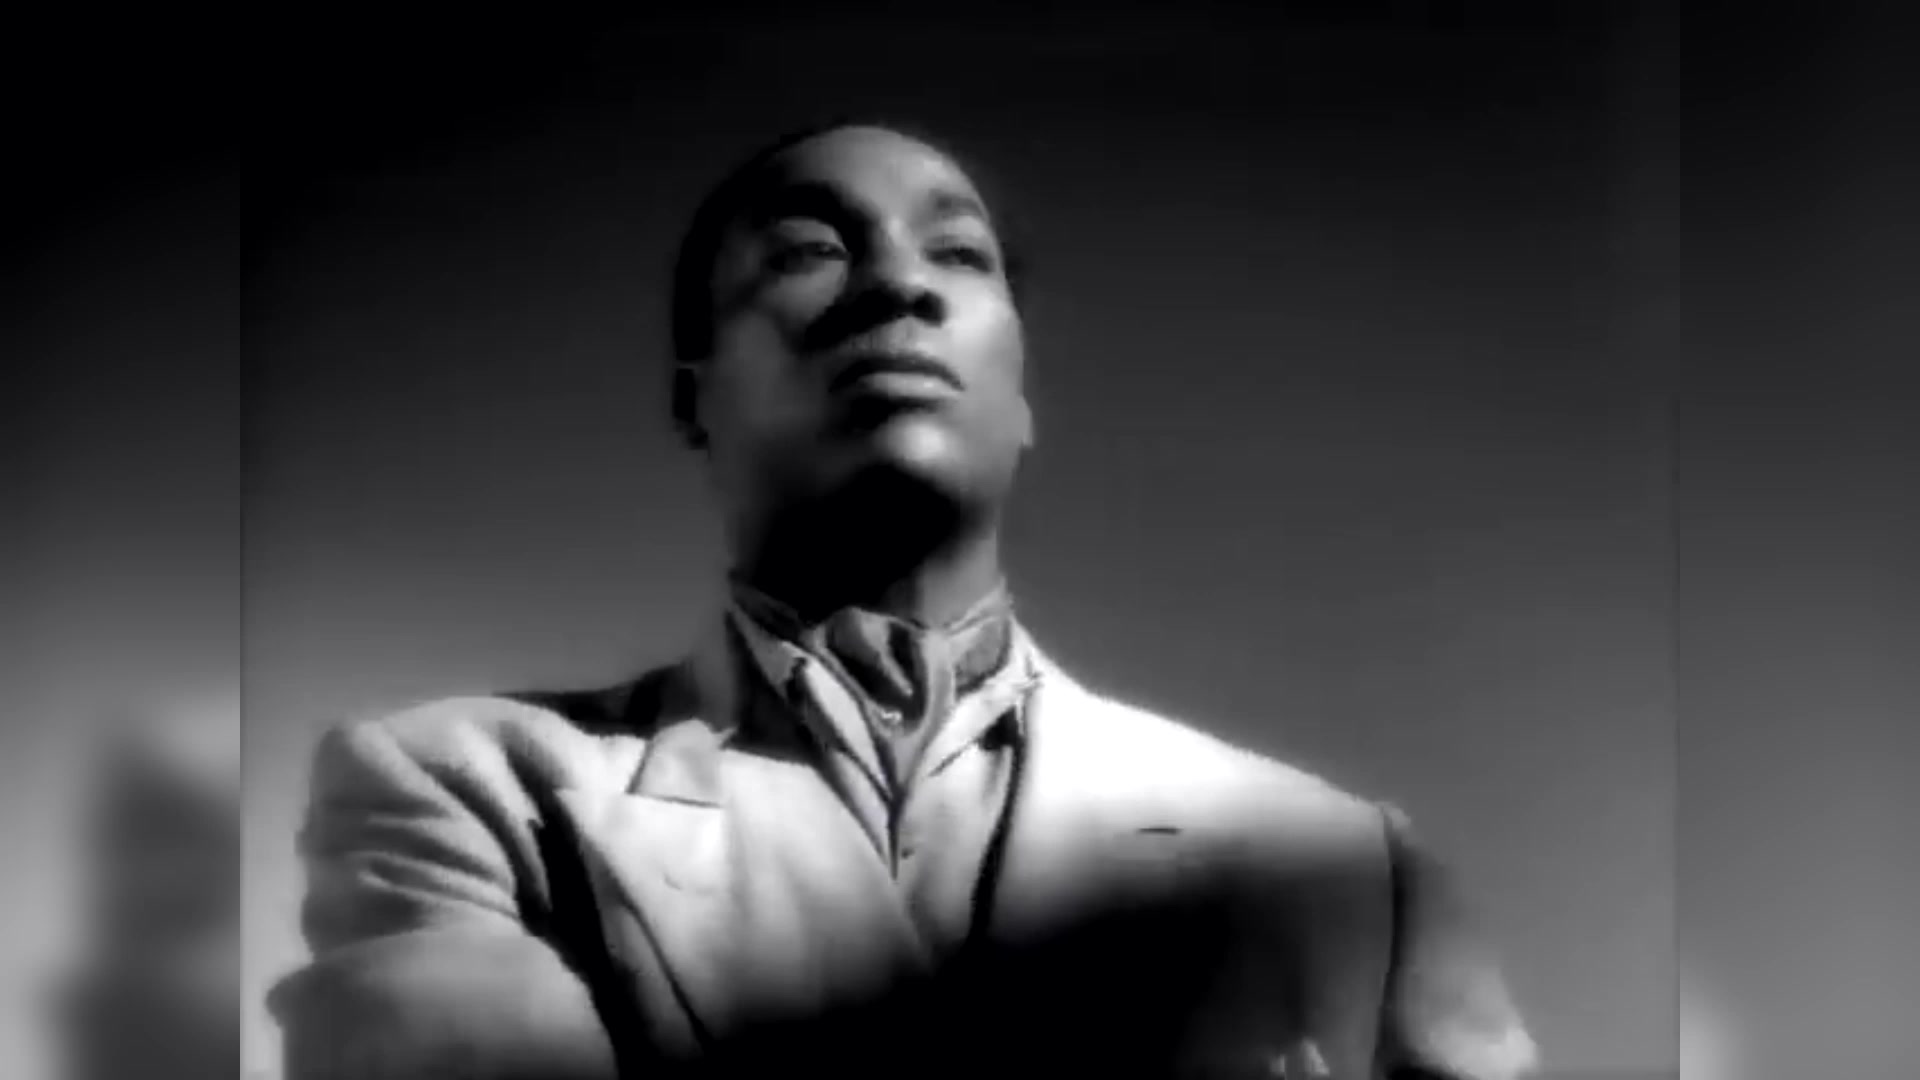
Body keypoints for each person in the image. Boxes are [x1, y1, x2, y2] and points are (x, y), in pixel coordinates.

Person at [269, 120, 1540, 1080]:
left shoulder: (1347, 870)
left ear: (1022, 395)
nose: (899, 286)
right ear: (692, 397)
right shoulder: (467, 792)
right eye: (811, 251)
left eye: (960, 252)